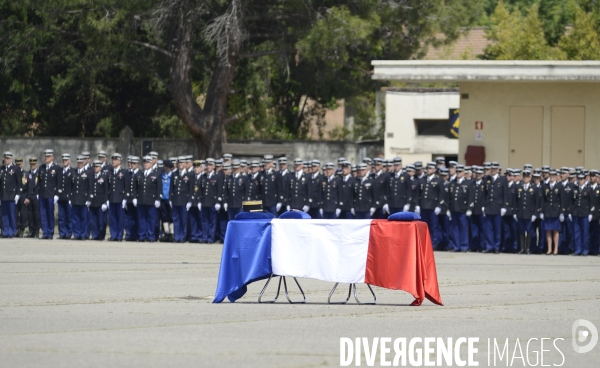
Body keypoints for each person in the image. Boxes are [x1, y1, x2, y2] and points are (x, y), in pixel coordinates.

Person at [135, 156, 162, 242]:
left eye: (147, 162)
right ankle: (142, 235)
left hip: (151, 200)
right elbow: (136, 188)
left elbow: (159, 188)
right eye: (144, 162)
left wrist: (158, 199)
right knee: (141, 219)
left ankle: (150, 236)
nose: (145, 164)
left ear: (151, 163)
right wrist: (135, 198)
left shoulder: (156, 174)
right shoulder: (139, 174)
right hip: (141, 200)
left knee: (151, 219)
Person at [416, 162, 443, 248]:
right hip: (423, 206)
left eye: (430, 168)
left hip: (433, 207)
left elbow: (441, 195)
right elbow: (418, 194)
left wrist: (439, 205)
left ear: (434, 170)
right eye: (427, 168)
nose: (428, 170)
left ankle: (433, 243)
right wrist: (417, 205)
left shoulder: (438, 180)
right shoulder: (422, 180)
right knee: (423, 226)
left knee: (433, 226)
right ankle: (424, 243)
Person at [514, 170, 541, 254]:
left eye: (527, 177)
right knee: (521, 231)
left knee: (529, 231)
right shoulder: (518, 187)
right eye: (524, 177)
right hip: (521, 213)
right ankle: (522, 248)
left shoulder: (534, 188)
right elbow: (515, 201)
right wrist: (515, 212)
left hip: (529, 213)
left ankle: (528, 248)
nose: (525, 178)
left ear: (530, 178)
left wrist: (535, 214)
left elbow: (537, 202)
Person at [482, 162, 507, 253]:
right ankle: (489, 246)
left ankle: (496, 247)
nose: (492, 170)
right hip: (489, 207)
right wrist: (483, 206)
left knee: (497, 229)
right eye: (491, 168)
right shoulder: (487, 179)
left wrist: (504, 206)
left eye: (494, 169)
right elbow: (484, 194)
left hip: (498, 207)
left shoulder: (503, 180)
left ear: (498, 170)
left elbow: (505, 194)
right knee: (489, 229)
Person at [448, 165, 474, 252]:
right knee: (455, 228)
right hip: (454, 208)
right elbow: (449, 197)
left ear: (463, 173)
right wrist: (448, 208)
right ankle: (456, 246)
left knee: (463, 228)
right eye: (457, 172)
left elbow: (471, 197)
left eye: (460, 172)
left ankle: (464, 246)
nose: (458, 173)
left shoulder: (468, 183)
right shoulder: (452, 182)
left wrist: (470, 208)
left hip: (463, 209)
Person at [38, 149, 62, 240]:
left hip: (51, 194)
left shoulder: (56, 168)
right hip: (42, 194)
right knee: (43, 214)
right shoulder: (42, 167)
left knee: (50, 214)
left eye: (48, 156)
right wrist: (38, 192)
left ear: (52, 157)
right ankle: (45, 232)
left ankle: (50, 232)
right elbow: (39, 181)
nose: (46, 158)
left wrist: (57, 194)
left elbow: (58, 182)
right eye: (45, 156)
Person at [170, 158, 193, 243]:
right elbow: (171, 188)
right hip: (176, 199)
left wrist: (190, 200)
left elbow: (190, 189)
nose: (180, 165)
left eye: (182, 163)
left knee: (183, 220)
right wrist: (170, 199)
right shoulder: (174, 174)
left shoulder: (189, 175)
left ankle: (183, 237)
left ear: (185, 164)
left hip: (184, 200)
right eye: (178, 163)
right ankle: (176, 237)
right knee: (176, 219)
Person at [200, 158, 222, 244]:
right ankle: (205, 236)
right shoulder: (204, 176)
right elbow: (201, 190)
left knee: (212, 221)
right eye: (207, 165)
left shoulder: (217, 177)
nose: (208, 167)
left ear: (213, 166)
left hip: (213, 202)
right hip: (205, 202)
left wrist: (218, 202)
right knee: (204, 220)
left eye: (210, 165)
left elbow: (219, 190)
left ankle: (211, 237)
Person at [71, 155, 93, 241]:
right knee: (75, 218)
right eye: (78, 162)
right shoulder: (74, 172)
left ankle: (83, 234)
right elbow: (71, 186)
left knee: (84, 218)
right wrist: (70, 197)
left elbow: (90, 187)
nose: (79, 164)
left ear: (84, 162)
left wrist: (89, 199)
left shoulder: (88, 173)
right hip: (75, 198)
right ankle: (77, 234)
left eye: (81, 162)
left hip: (84, 199)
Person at [1, 152, 22, 238]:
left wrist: (18, 194)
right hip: (3, 195)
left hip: (11, 195)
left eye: (7, 159)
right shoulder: (2, 169)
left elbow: (19, 182)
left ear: (11, 159)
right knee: (4, 215)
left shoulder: (16, 168)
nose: (5, 160)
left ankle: (11, 231)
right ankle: (5, 231)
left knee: (12, 215)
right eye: (5, 158)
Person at [572, 173, 593, 256]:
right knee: (576, 232)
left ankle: (585, 249)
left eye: (582, 179)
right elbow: (573, 201)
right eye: (579, 179)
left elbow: (592, 202)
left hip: (585, 213)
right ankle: (578, 249)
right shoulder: (575, 189)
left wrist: (591, 213)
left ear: (584, 180)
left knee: (585, 233)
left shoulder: (588, 189)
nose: (580, 181)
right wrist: (571, 212)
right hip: (576, 213)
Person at [107, 153, 127, 241]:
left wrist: (125, 198)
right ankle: (113, 235)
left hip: (120, 198)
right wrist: (107, 199)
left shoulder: (124, 172)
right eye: (112, 159)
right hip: (111, 198)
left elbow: (126, 186)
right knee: (112, 218)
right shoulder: (110, 172)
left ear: (119, 161)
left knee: (120, 218)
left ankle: (119, 235)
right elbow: (107, 186)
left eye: (115, 160)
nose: (113, 161)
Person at [542, 170, 561, 255]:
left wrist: (561, 212)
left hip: (556, 211)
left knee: (556, 230)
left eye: (554, 175)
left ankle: (556, 248)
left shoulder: (559, 186)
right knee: (548, 230)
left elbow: (561, 200)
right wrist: (542, 211)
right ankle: (549, 248)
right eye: (551, 175)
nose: (552, 177)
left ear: (556, 176)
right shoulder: (545, 186)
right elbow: (543, 199)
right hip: (547, 210)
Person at [89, 160, 109, 240]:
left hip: (100, 202)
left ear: (100, 168)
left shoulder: (104, 177)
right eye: (94, 167)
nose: (95, 168)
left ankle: (101, 235)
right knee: (93, 220)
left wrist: (105, 202)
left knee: (101, 221)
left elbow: (106, 190)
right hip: (93, 201)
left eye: (97, 167)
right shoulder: (91, 176)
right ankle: (95, 235)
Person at [57, 153, 74, 239]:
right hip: (61, 197)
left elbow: (73, 185)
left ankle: (68, 233)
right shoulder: (59, 171)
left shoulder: (72, 171)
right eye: (63, 160)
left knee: (69, 216)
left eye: (66, 160)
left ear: (69, 161)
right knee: (61, 217)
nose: (64, 161)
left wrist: (71, 197)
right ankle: (62, 233)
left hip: (68, 198)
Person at [124, 156, 140, 241]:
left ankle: (137, 234)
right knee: (130, 218)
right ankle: (130, 234)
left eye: (134, 163)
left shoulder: (140, 174)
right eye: (131, 163)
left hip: (137, 200)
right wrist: (125, 198)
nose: (132, 165)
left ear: (137, 164)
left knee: (137, 217)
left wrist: (136, 197)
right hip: (129, 199)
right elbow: (126, 186)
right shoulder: (128, 174)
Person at [470, 167, 486, 252]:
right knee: (474, 230)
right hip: (473, 210)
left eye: (480, 174)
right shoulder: (472, 183)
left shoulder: (485, 184)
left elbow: (486, 196)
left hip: (481, 210)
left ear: (483, 175)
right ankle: (474, 246)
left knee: (482, 230)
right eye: (477, 174)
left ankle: (481, 246)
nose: (478, 175)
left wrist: (484, 206)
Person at [189, 160, 205, 243]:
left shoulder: (203, 178)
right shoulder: (192, 177)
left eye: (197, 167)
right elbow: (190, 190)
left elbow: (203, 191)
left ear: (201, 168)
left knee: (200, 219)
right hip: (193, 202)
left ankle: (200, 235)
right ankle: (194, 235)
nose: (196, 169)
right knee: (193, 219)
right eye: (194, 167)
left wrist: (200, 201)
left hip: (200, 202)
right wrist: (189, 201)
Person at [158, 160, 174, 242]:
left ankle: (171, 233)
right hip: (163, 199)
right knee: (164, 217)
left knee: (171, 216)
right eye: (165, 167)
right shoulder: (162, 176)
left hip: (170, 199)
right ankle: (166, 233)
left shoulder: (173, 176)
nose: (166, 169)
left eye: (168, 167)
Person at [25, 158, 41, 238]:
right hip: (29, 197)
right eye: (31, 164)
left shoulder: (39, 173)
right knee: (29, 215)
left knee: (36, 214)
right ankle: (31, 231)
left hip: (36, 196)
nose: (32, 166)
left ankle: (37, 231)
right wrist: (26, 197)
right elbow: (25, 186)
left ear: (36, 164)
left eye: (33, 164)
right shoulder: (27, 174)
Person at [15, 158, 28, 238]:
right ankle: (16, 228)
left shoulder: (25, 174)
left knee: (23, 213)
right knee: (15, 213)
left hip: (23, 194)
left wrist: (27, 197)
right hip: (15, 195)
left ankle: (22, 229)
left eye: (20, 165)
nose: (18, 166)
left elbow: (26, 186)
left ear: (22, 164)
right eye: (17, 165)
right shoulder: (13, 173)